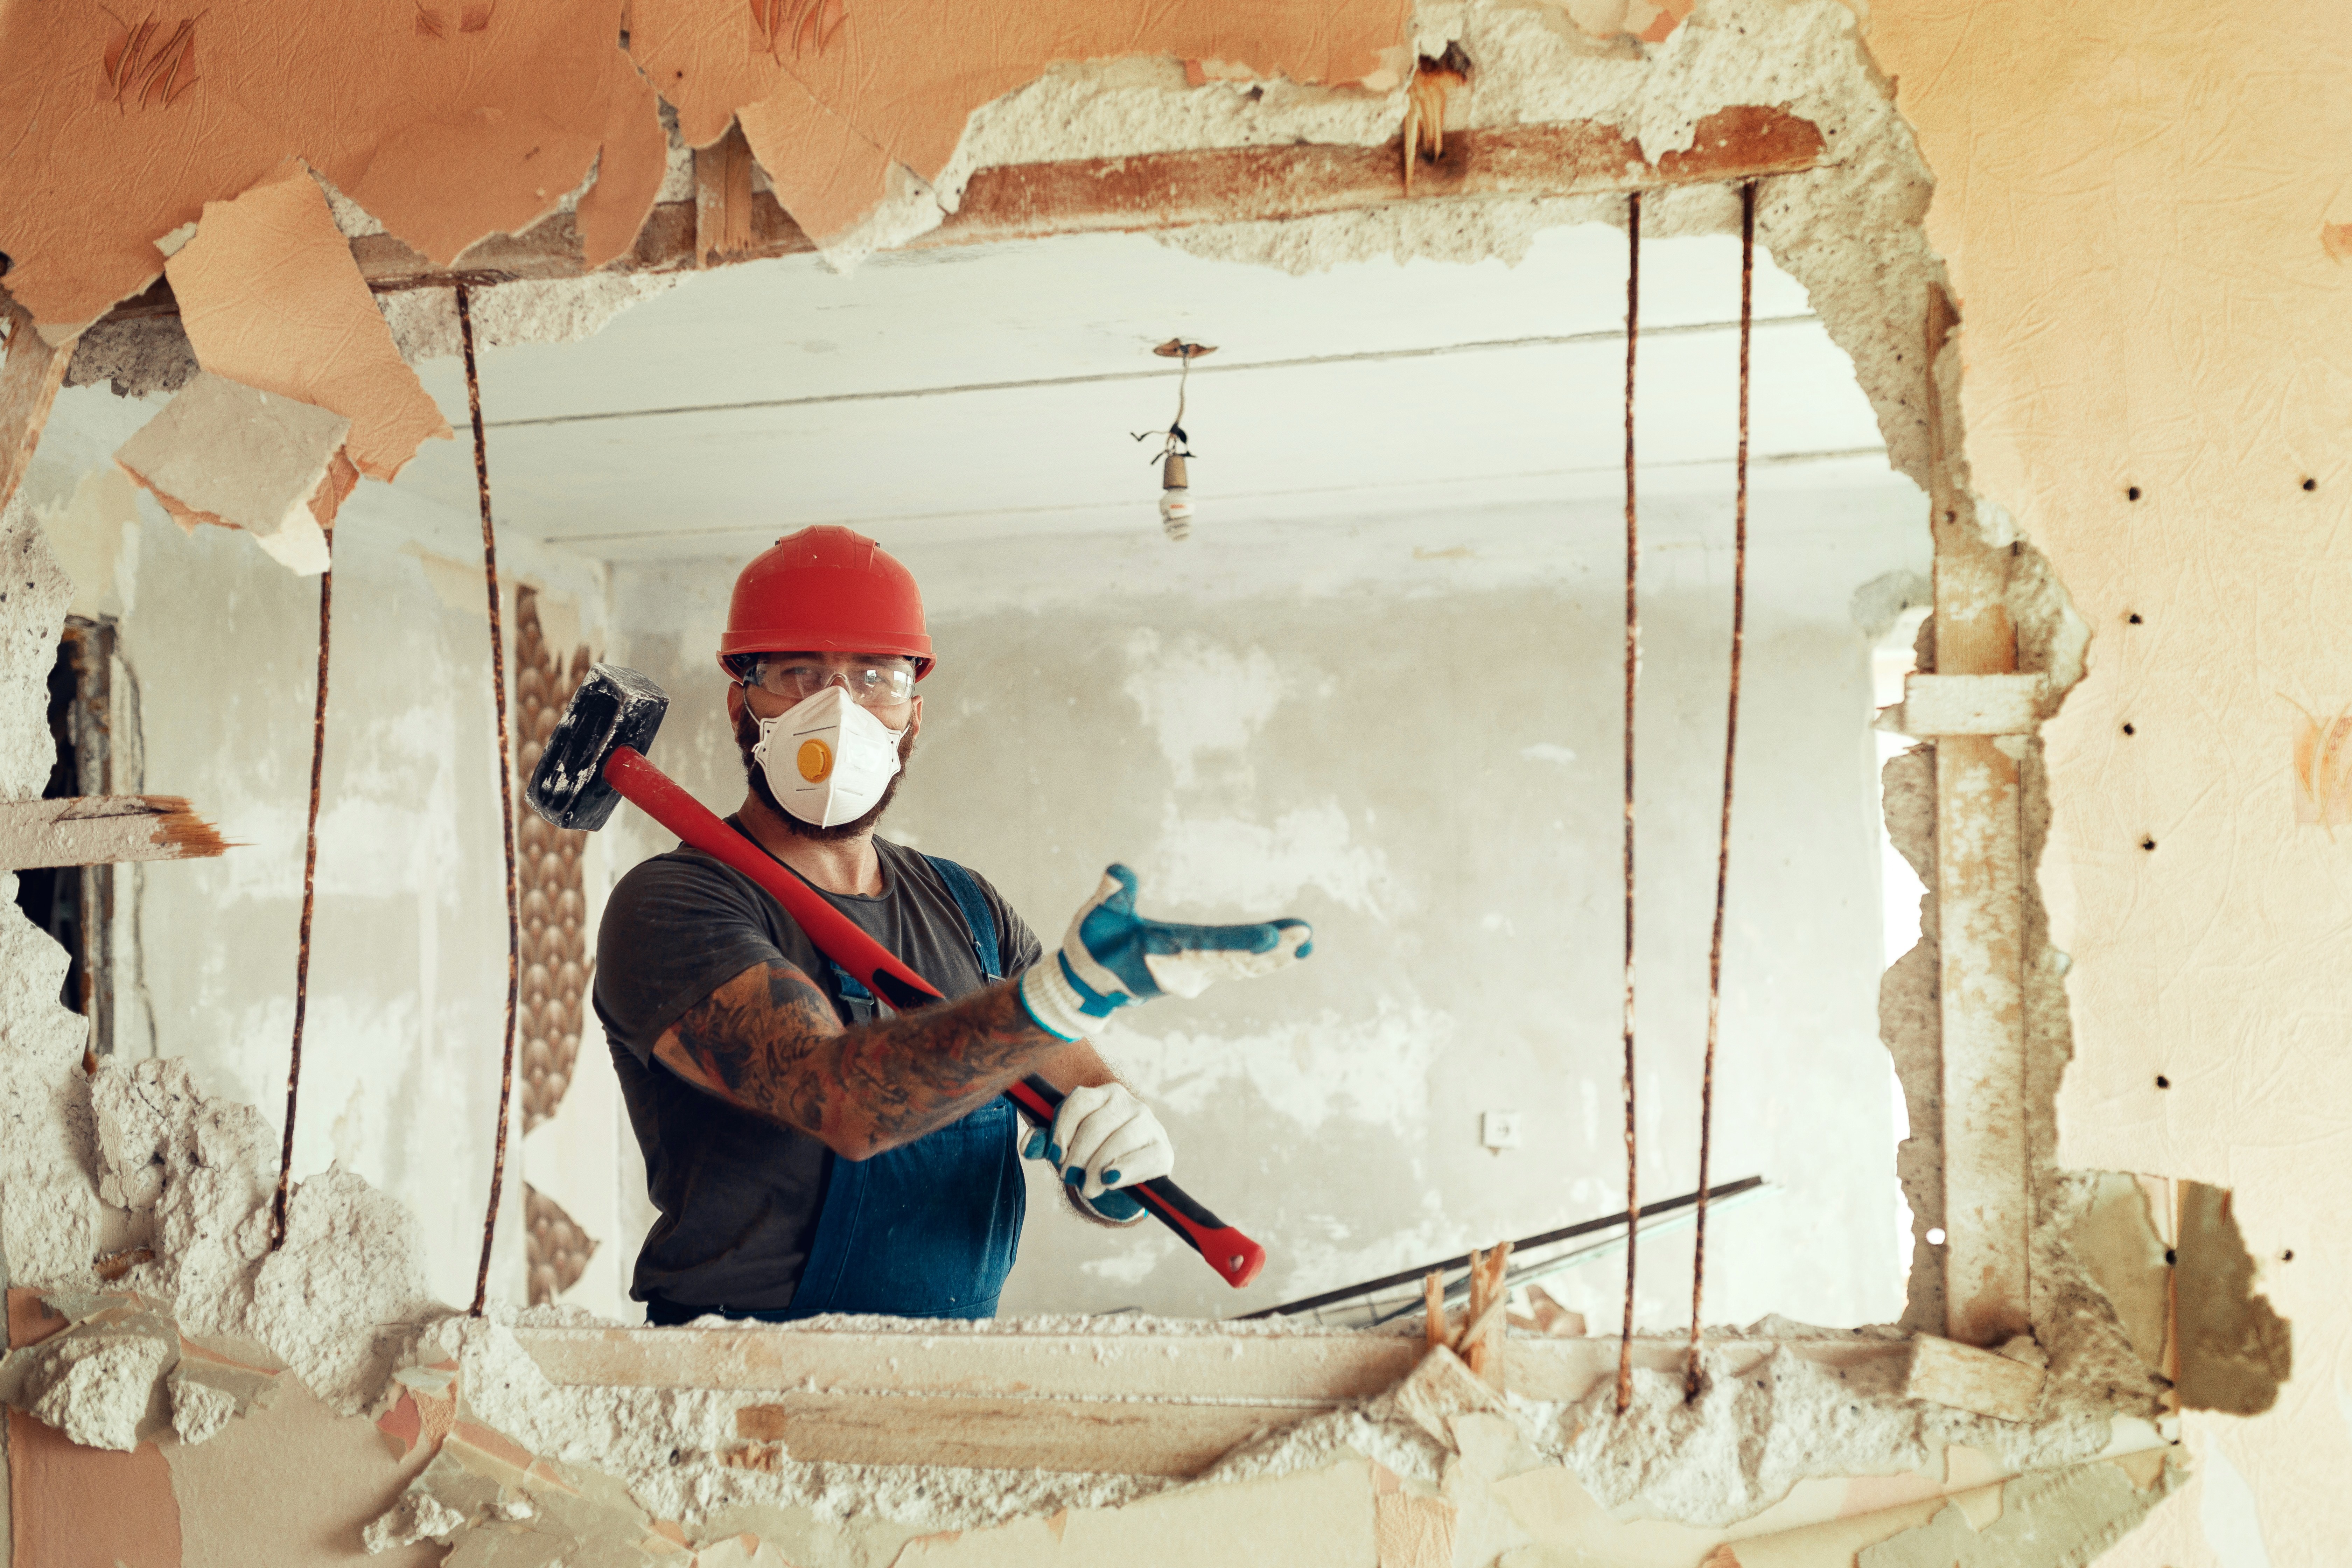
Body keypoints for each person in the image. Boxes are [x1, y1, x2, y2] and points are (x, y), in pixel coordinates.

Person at [593, 526, 1311, 1323]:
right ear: (742, 702)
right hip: (736, 1382)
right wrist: (1061, 996)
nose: (840, 710)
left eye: (875, 677)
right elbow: (842, 1102)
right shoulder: (674, 907)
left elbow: (1070, 1090)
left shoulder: (970, 910)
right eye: (799, 674)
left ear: (914, 713)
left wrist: (1118, 1169)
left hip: (945, 1364)